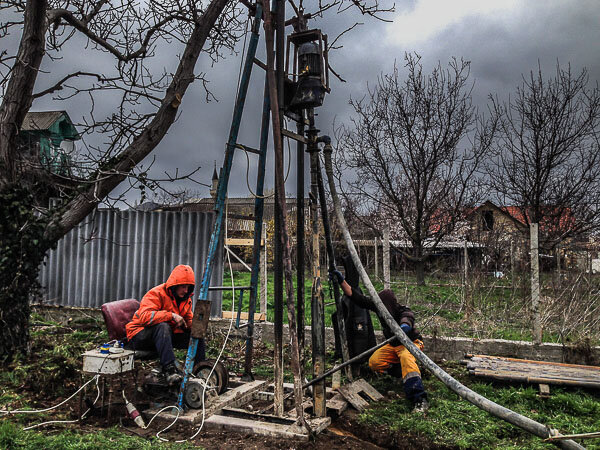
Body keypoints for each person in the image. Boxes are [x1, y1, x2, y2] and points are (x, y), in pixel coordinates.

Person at [329, 268, 429, 412]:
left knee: (407, 358)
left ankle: (419, 398)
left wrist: (404, 327)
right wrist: (341, 281)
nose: (382, 312)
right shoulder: (379, 307)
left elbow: (407, 319)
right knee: (374, 362)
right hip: (393, 345)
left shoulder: (402, 310)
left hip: (410, 344)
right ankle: (406, 374)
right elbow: (356, 297)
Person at [125, 264, 205, 384]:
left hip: (163, 337)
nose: (186, 290)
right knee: (163, 326)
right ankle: (169, 369)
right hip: (139, 335)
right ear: (175, 285)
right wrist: (171, 316)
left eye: (188, 287)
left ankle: (200, 372)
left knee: (196, 336)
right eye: (183, 286)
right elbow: (144, 317)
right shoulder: (156, 293)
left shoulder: (185, 299)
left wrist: (193, 326)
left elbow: (188, 319)